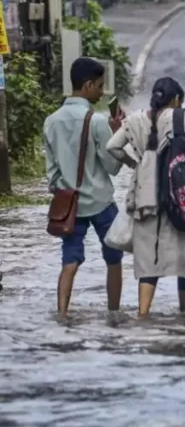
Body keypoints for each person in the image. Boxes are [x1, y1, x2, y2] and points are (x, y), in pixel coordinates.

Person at [106, 77, 185, 317]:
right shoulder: (180, 118)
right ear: (175, 99)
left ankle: (143, 315)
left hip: (145, 195)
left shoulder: (133, 120)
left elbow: (112, 146)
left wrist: (135, 163)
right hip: (179, 194)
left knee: (148, 262)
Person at [43, 57, 125, 317]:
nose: (101, 92)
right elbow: (112, 167)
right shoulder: (98, 121)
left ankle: (62, 313)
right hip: (101, 202)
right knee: (114, 259)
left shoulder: (51, 121)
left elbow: (52, 173)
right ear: (88, 85)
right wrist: (116, 134)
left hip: (70, 205)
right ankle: (113, 313)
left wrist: (64, 189)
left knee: (70, 259)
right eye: (100, 86)